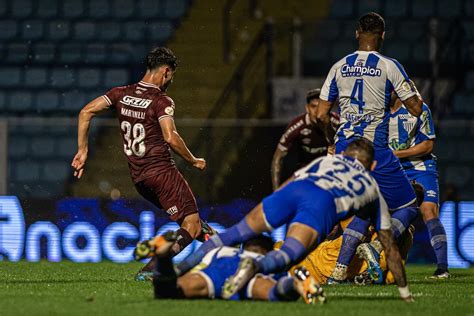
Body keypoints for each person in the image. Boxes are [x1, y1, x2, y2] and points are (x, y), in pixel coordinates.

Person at [137, 138, 414, 302]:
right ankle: (256, 265)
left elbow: (291, 182)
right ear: (372, 165)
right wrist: (404, 292)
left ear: (345, 155)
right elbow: (389, 246)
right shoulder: (371, 186)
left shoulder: (326, 161)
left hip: (294, 190)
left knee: (234, 233)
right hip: (320, 204)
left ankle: (181, 266)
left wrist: (277, 205)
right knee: (287, 256)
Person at [71, 47, 215, 280]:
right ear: (166, 72)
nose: (170, 82)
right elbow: (170, 136)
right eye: (171, 77)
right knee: (192, 226)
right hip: (162, 172)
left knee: (193, 223)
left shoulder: (121, 93)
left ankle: (225, 249)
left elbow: (86, 111)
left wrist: (82, 151)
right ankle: (154, 267)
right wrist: (193, 160)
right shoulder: (161, 101)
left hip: (140, 179)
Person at [316, 12, 424, 284]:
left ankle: (340, 270)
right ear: (382, 35)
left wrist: (331, 140)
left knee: (366, 207)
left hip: (344, 150)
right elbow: (416, 108)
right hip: (375, 151)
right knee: (410, 204)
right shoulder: (390, 65)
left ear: (357, 33)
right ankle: (376, 249)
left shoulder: (339, 66)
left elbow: (320, 114)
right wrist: (410, 92)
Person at [149, 233, 325, 304]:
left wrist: (175, 271)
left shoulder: (222, 249)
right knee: (271, 291)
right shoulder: (271, 259)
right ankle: (295, 284)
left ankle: (163, 256)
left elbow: (190, 263)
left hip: (222, 263)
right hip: (255, 267)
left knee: (167, 290)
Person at [389, 95, 449, 278]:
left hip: (420, 167)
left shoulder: (419, 108)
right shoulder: (376, 111)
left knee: (429, 211)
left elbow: (428, 145)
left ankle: (442, 268)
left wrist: (397, 154)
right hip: (392, 169)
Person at [271, 88, 339, 190]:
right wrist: (276, 191)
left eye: (320, 107)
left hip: (329, 172)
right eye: (313, 107)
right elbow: (277, 159)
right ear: (307, 108)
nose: (317, 111)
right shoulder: (297, 125)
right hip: (304, 173)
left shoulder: (336, 122)